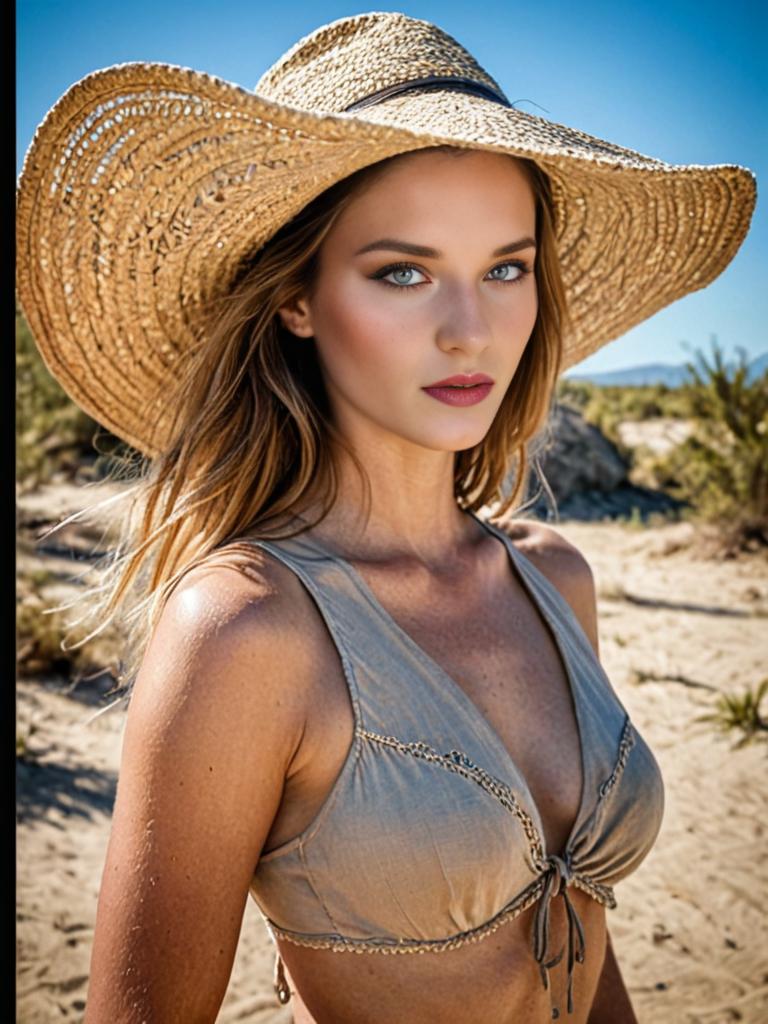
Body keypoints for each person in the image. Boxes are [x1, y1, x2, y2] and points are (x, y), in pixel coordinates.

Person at [16, 11, 755, 1024]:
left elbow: (586, 956)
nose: (471, 328)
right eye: (402, 272)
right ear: (298, 299)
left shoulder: (556, 578)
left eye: (507, 267)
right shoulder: (248, 629)